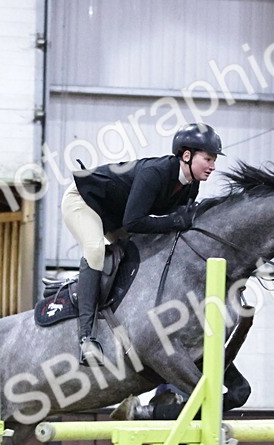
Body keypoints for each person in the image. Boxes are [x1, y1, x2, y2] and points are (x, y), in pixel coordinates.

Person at [63, 122, 223, 366]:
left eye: (214, 160)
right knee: (95, 249)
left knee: (141, 255)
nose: (213, 166)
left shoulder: (192, 185)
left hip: (114, 214)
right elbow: (135, 221)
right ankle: (86, 338)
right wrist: (172, 221)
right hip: (83, 201)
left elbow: (175, 224)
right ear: (187, 155)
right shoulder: (155, 173)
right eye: (208, 159)